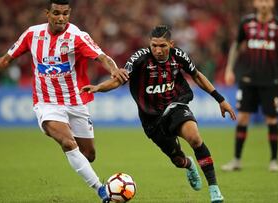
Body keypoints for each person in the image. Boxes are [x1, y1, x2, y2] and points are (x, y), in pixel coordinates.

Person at [0, 0, 128, 202]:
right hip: (46, 102)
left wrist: (114, 70)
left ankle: (72, 149)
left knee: (89, 155)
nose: (61, 18)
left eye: (65, 13)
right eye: (56, 13)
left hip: (75, 101)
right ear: (47, 13)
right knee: (67, 142)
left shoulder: (77, 36)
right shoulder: (32, 34)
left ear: (70, 13)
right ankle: (101, 190)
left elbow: (102, 57)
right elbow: (7, 58)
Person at [81, 25, 236, 203]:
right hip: (151, 119)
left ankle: (214, 189)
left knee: (194, 137)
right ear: (149, 44)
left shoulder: (178, 55)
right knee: (178, 160)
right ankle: (189, 164)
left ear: (171, 44)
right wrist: (99, 87)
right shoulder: (139, 59)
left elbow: (197, 75)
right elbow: (118, 80)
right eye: (154, 45)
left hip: (175, 105)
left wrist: (220, 99)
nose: (158, 50)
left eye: (162, 46)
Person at [221, 0, 278, 172]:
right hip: (248, 80)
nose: (264, 4)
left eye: (267, 0)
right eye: (260, 0)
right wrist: (229, 69)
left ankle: (273, 160)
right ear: (255, 3)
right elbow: (236, 45)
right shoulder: (246, 23)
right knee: (242, 118)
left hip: (271, 81)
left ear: (272, 3)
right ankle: (236, 160)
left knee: (271, 119)